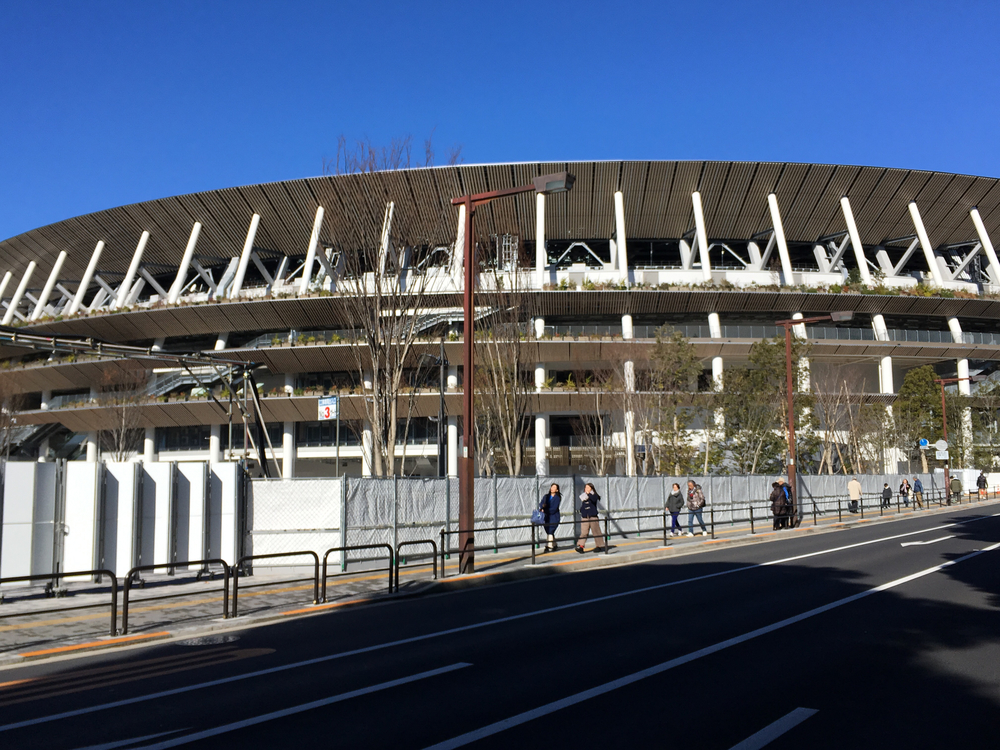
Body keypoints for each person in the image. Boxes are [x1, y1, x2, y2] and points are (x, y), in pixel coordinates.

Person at [575, 483, 606, 553]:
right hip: (585, 516)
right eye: (585, 487)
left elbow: (594, 500)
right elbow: (583, 505)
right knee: (584, 532)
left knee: (596, 531)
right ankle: (581, 546)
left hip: (593, 516)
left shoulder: (594, 495)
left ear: (591, 488)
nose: (586, 489)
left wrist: (589, 494)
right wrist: (582, 510)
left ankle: (599, 546)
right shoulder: (584, 496)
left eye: (588, 488)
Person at [540, 483, 562, 552]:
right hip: (546, 516)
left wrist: (545, 510)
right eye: (552, 487)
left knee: (550, 530)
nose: (552, 488)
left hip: (554, 516)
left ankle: (548, 546)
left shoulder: (557, 498)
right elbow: (541, 503)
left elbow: (554, 508)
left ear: (557, 490)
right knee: (549, 531)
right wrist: (542, 507)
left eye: (554, 487)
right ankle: (554, 545)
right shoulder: (546, 496)